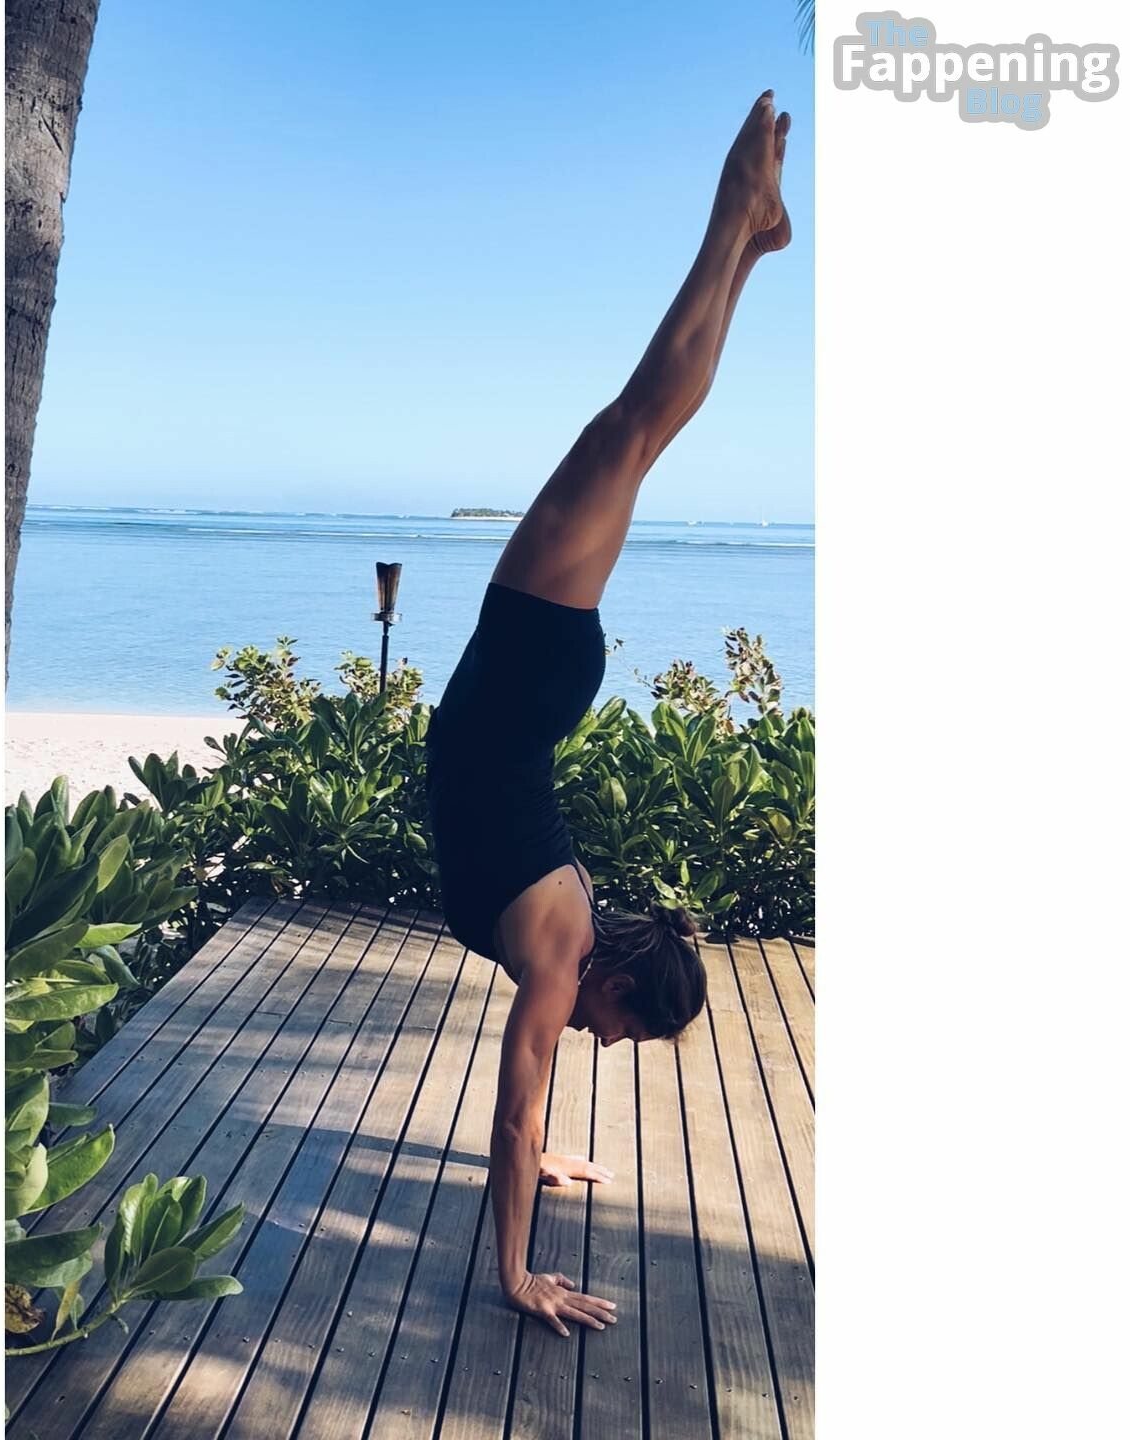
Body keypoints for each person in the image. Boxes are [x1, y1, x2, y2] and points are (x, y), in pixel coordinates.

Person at [424, 92, 793, 1338]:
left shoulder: (572, 936)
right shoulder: (556, 952)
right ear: (620, 977)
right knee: (634, 424)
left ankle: (751, 240)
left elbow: (523, 1118)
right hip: (527, 658)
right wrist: (517, 1274)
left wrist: (541, 1163)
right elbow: (513, 1111)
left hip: (534, 670)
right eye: (622, 1030)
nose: (601, 1039)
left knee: (639, 431)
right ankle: (737, 224)